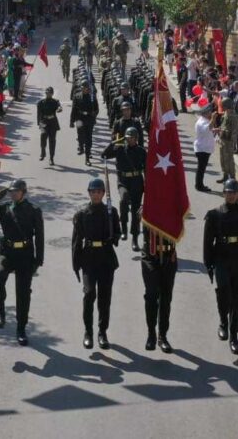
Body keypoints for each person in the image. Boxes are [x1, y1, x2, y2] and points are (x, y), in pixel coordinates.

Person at [0, 180, 44, 346]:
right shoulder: (5, 208)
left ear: (23, 192)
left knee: (23, 293)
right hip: (7, 252)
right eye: (11, 191)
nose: (13, 194)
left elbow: (40, 237)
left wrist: (38, 261)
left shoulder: (33, 210)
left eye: (17, 191)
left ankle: (21, 328)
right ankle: (0, 314)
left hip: (25, 254)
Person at [203, 179, 238, 355]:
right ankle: (223, 321)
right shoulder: (214, 215)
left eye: (234, 193)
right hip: (221, 258)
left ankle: (234, 335)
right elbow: (207, 243)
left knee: (236, 300)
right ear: (224, 193)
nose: (231, 195)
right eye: (228, 192)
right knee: (223, 293)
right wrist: (208, 264)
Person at [71, 178, 121, 350]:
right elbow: (77, 241)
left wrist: (113, 236)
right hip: (89, 259)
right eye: (93, 192)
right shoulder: (82, 214)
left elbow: (118, 232)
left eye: (99, 192)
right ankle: (88, 332)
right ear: (89, 193)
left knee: (104, 298)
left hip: (106, 258)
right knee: (89, 293)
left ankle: (102, 332)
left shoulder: (111, 212)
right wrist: (76, 264)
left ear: (103, 193)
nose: (96, 195)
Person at [102, 127, 147, 251]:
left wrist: (148, 185)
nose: (129, 140)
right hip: (123, 181)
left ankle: (135, 239)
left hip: (137, 182)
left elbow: (146, 169)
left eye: (131, 138)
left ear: (136, 139)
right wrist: (113, 143)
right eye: (127, 137)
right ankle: (124, 228)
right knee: (124, 199)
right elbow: (104, 155)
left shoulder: (141, 151)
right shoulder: (120, 149)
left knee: (136, 211)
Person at [141, 228, 177, 353]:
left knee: (166, 298)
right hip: (150, 257)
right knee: (151, 295)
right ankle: (151, 334)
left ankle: (162, 336)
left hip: (169, 256)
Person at [70, 81, 98, 166]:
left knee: (88, 138)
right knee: (80, 136)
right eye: (83, 87)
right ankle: (81, 147)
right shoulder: (77, 96)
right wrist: (71, 121)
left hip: (89, 119)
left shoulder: (92, 97)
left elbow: (96, 109)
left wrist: (94, 114)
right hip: (79, 118)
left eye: (86, 88)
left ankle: (87, 158)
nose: (84, 89)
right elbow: (74, 109)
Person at [193, 105, 218, 192]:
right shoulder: (201, 122)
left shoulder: (204, 120)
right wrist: (213, 118)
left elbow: (208, 130)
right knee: (201, 169)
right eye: (210, 112)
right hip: (202, 149)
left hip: (204, 148)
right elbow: (208, 128)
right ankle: (199, 186)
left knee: (201, 168)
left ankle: (199, 185)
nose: (211, 114)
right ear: (206, 113)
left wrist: (214, 130)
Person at [36, 86, 62, 165]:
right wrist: (39, 124)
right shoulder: (41, 102)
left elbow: (59, 106)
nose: (48, 94)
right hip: (44, 122)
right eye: (47, 93)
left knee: (52, 140)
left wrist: (59, 109)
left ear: (52, 94)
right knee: (43, 137)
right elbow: (38, 114)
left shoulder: (55, 101)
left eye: (50, 93)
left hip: (52, 122)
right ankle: (43, 152)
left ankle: (51, 158)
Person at [218, 97, 238, 184]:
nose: (222, 107)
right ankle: (225, 175)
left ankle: (232, 177)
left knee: (229, 159)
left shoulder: (233, 116)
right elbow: (223, 125)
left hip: (229, 141)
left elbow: (235, 130)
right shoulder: (225, 114)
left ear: (226, 106)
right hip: (223, 139)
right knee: (223, 159)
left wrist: (233, 143)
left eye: (223, 106)